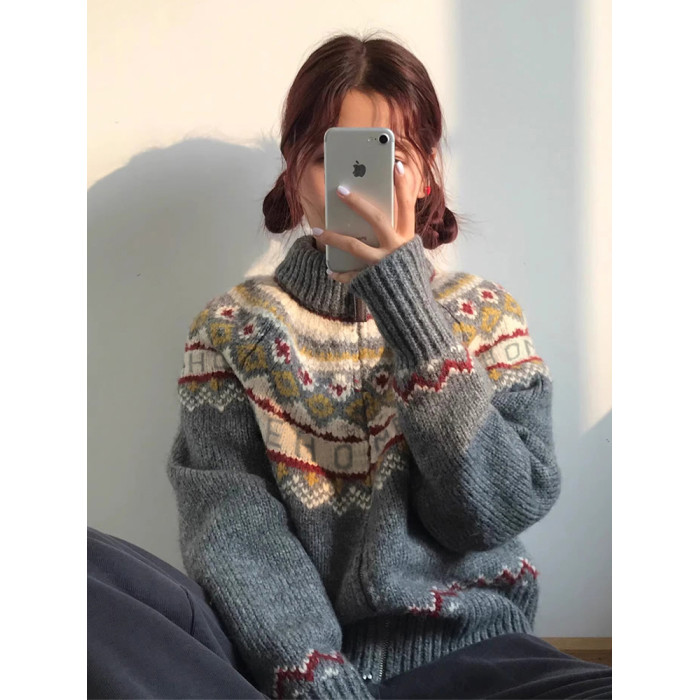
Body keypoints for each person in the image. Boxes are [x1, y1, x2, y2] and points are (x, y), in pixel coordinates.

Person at [88, 31, 612, 699]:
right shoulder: (232, 329)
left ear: (425, 175)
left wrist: (412, 316)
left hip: (476, 659)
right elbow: (234, 534)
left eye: (387, 156)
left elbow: (490, 513)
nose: (358, 182)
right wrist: (319, 682)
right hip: (285, 673)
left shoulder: (485, 315)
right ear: (293, 173)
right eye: (332, 157)